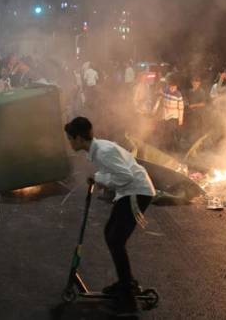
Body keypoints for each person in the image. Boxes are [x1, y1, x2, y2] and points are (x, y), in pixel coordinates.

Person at [64, 117, 155, 315]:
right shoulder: (98, 150)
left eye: (70, 138)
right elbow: (117, 175)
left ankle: (128, 297)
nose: (69, 142)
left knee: (116, 240)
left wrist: (99, 178)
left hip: (136, 191)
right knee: (110, 234)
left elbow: (125, 176)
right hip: (129, 192)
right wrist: (99, 178)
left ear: (79, 138)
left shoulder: (103, 152)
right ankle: (126, 282)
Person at [153, 74, 184, 151]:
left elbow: (181, 108)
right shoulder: (165, 90)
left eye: (173, 87)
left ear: (176, 87)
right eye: (170, 87)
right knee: (164, 132)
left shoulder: (178, 95)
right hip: (165, 116)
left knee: (171, 132)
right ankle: (165, 147)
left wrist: (180, 119)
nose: (171, 89)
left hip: (173, 117)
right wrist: (158, 92)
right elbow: (158, 94)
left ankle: (174, 148)